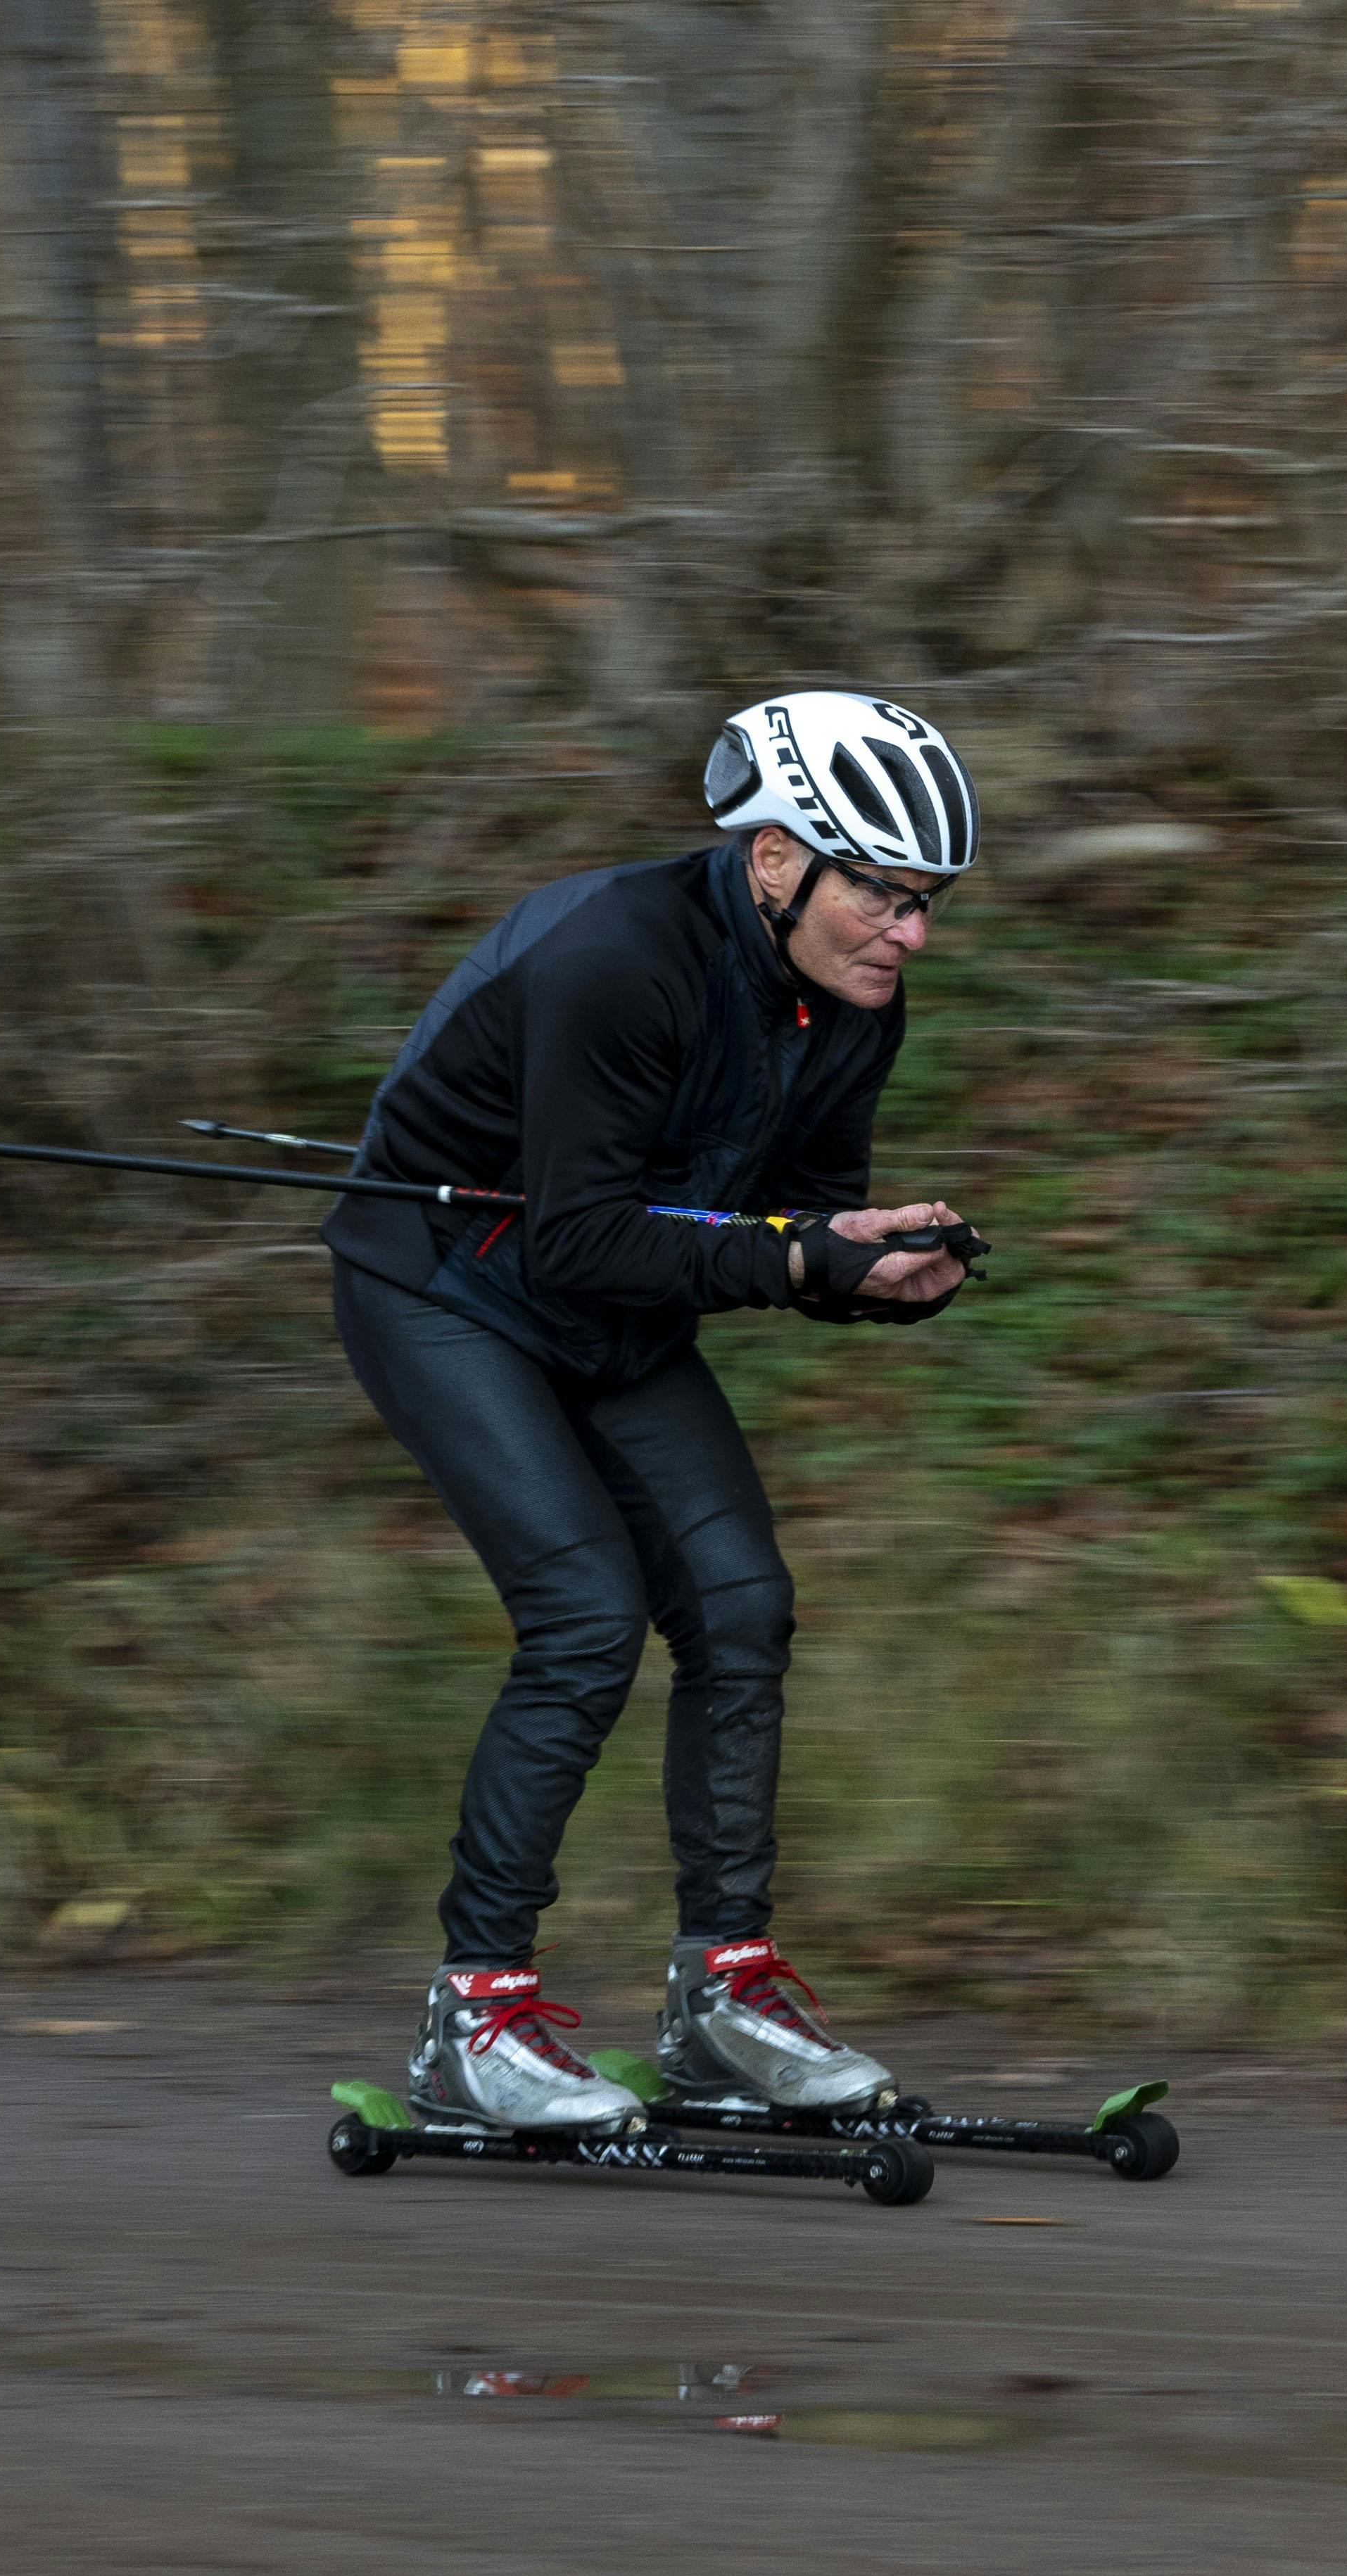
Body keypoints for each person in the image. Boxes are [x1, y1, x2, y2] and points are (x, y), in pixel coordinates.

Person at [323, 690, 982, 2132]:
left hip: (608, 1302)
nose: (909, 931)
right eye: (881, 892)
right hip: (448, 1285)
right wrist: (805, 1253)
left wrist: (865, 1263)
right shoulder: (615, 961)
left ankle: (721, 2000)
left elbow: (776, 1220)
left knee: (742, 1601)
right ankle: (473, 2015)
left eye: (925, 903)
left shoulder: (853, 999)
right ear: (771, 861)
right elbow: (580, 1239)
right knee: (582, 1615)